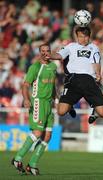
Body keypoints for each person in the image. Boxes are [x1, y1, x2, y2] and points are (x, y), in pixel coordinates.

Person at [11, 43, 57, 175]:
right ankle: (17, 158)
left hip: (49, 104)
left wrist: (57, 99)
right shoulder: (35, 67)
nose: (45, 53)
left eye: (47, 51)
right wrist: (26, 99)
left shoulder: (53, 66)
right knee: (37, 133)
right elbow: (25, 85)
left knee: (47, 136)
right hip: (38, 102)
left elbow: (53, 86)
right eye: (42, 51)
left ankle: (32, 165)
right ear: (39, 52)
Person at [49, 26, 103, 123]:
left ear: (89, 37)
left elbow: (96, 62)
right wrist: (49, 55)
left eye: (85, 37)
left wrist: (98, 73)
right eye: (80, 37)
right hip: (73, 80)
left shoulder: (94, 47)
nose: (83, 39)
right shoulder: (71, 46)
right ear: (77, 37)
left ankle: (95, 112)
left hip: (89, 81)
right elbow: (59, 55)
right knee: (61, 111)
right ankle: (70, 106)